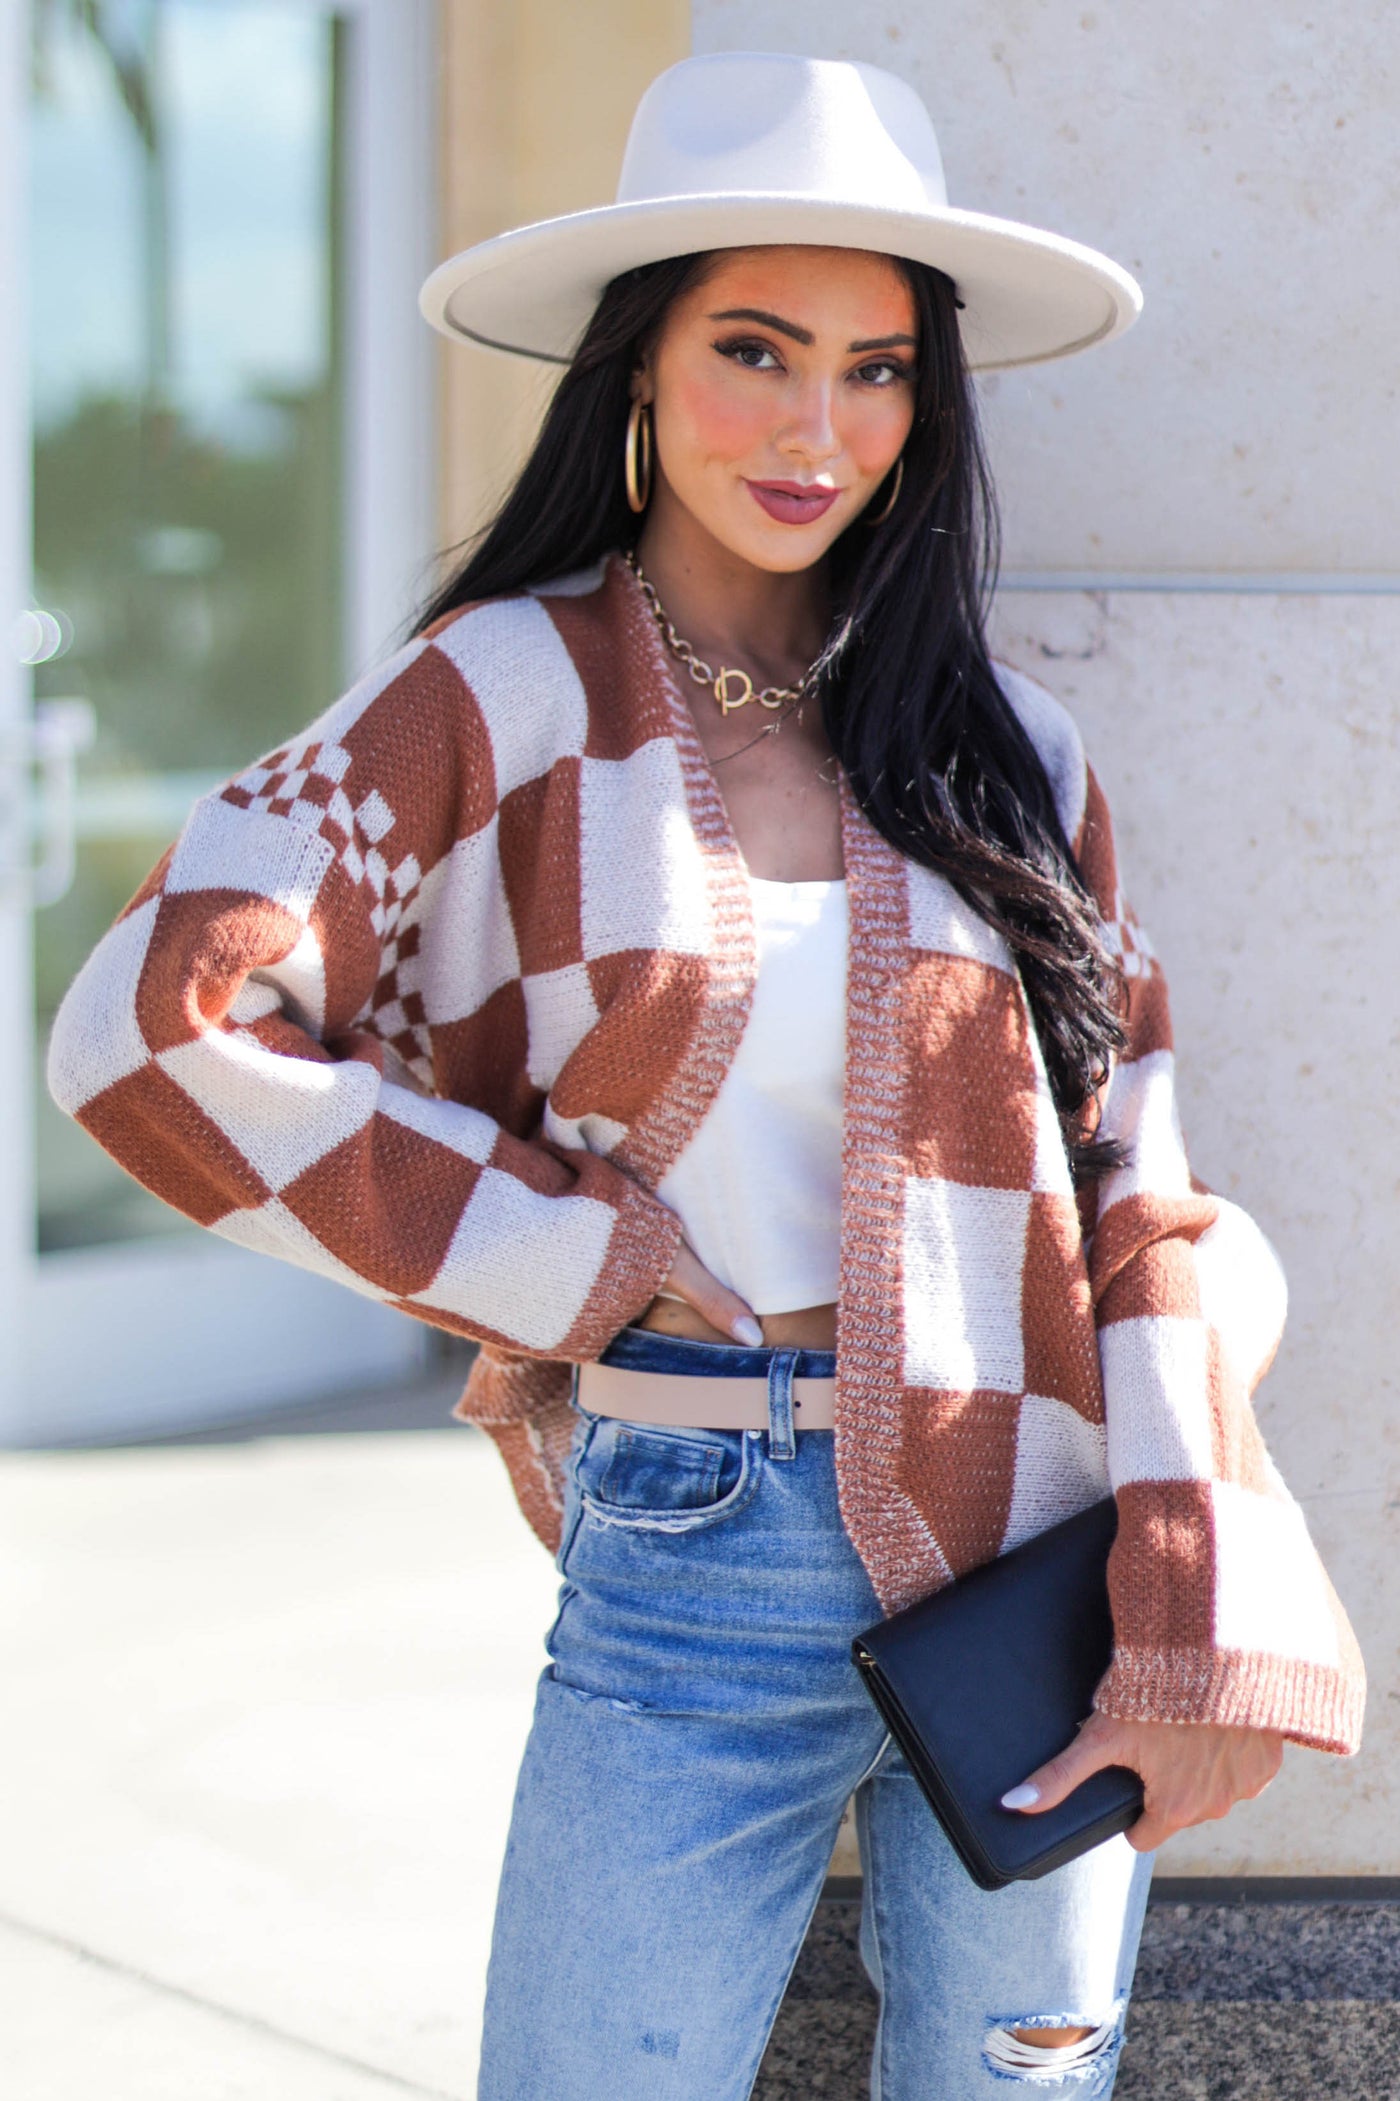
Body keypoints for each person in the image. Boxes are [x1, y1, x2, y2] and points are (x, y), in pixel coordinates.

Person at [49, 51, 1363, 2101]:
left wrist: (1188, 1595)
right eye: (754, 349)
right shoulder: (499, 688)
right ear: (639, 368)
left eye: (874, 370)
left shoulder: (1008, 750)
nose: (815, 427)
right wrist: (569, 1260)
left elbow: (1139, 1188)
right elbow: (149, 1029)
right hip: (699, 1535)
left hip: (1035, 1545)